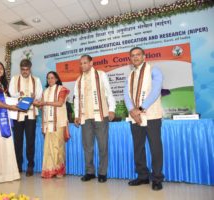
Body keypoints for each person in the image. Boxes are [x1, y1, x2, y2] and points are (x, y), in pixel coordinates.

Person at [123, 47, 164, 191]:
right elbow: (126, 95)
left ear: (144, 56)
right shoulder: (130, 76)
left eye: (138, 55)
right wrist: (132, 111)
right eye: (132, 56)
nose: (135, 57)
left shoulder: (154, 70)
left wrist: (140, 109)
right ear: (130, 59)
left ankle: (157, 178)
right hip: (135, 117)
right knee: (138, 147)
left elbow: (155, 91)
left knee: (155, 147)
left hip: (151, 115)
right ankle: (143, 176)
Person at [74, 55, 116, 183]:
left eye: (85, 63)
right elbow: (76, 99)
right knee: (87, 146)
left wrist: (112, 109)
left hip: (101, 115)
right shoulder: (78, 80)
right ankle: (90, 172)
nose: (83, 65)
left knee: (103, 145)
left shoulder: (101, 74)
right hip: (85, 117)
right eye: (81, 63)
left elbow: (109, 92)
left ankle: (102, 173)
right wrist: (76, 114)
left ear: (91, 63)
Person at [9, 59, 43, 176]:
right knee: (17, 141)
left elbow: (39, 94)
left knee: (30, 141)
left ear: (30, 69)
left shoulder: (36, 80)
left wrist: (35, 96)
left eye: (27, 69)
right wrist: (20, 94)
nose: (25, 72)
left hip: (31, 114)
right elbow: (11, 92)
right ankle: (18, 165)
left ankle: (30, 166)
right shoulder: (14, 79)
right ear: (20, 69)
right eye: (23, 70)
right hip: (18, 114)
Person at [35, 71, 70, 178]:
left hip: (59, 122)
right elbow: (42, 106)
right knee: (48, 147)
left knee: (57, 146)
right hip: (47, 123)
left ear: (56, 79)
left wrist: (45, 103)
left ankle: (59, 170)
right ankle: (49, 170)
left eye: (52, 78)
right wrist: (36, 103)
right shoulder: (45, 92)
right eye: (48, 78)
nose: (50, 80)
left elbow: (59, 103)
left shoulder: (62, 89)